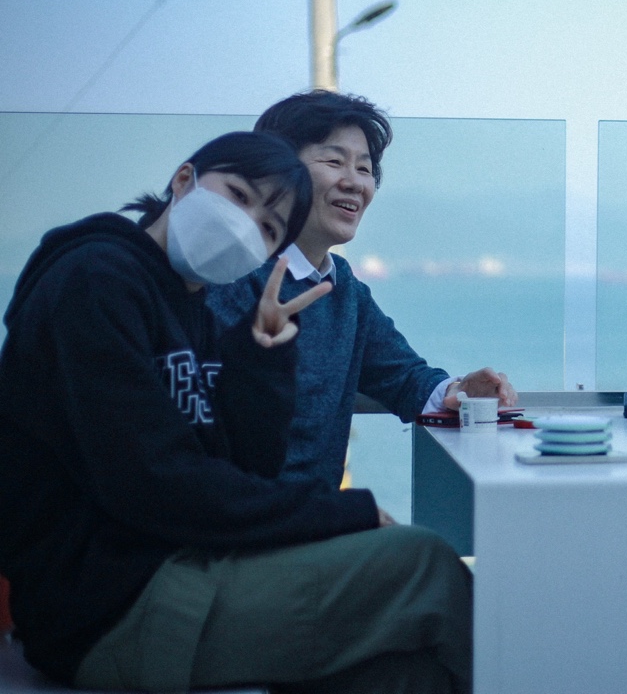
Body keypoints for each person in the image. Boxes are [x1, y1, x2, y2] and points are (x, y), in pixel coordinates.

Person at [0, 132, 471, 693]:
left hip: (181, 568)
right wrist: (346, 512)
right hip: (109, 606)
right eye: (239, 196)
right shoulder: (96, 281)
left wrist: (261, 357)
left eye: (268, 228)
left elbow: (243, 470)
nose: (246, 227)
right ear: (184, 181)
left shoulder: (194, 306)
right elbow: (156, 483)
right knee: (424, 564)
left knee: (409, 676)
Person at [209, 91, 517, 489]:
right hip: (246, 517)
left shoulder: (343, 287)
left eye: (364, 168)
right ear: (277, 170)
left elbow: (405, 378)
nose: (354, 182)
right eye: (334, 162)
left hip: (314, 516)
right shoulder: (232, 279)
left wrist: (460, 391)